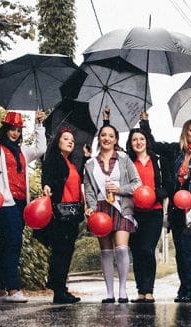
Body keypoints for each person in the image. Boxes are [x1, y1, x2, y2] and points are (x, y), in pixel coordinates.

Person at [0, 110, 47, 303]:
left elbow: (41, 148)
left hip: (21, 203)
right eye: (12, 129)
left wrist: (39, 125)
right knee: (14, 241)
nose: (15, 133)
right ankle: (14, 289)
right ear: (5, 129)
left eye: (18, 130)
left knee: (6, 243)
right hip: (3, 201)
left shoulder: (22, 151)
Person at [152, 119, 191, 302]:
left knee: (186, 248)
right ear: (185, 133)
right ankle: (185, 288)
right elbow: (153, 145)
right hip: (175, 208)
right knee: (180, 250)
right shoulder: (175, 150)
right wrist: (145, 123)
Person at [83, 122, 142, 303]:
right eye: (103, 135)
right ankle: (109, 293)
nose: (106, 138)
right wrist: (91, 208)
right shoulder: (90, 164)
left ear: (116, 140)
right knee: (106, 251)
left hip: (121, 207)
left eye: (110, 136)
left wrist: (119, 189)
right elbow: (89, 190)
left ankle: (123, 290)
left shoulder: (124, 159)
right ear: (99, 138)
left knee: (122, 249)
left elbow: (137, 183)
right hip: (101, 209)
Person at [126, 114, 173, 303]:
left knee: (147, 249)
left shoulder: (158, 160)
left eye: (141, 139)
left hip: (154, 211)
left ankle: (149, 290)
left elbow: (169, 185)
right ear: (130, 143)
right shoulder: (127, 162)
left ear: (147, 141)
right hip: (133, 212)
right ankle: (140, 291)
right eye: (134, 140)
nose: (138, 142)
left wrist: (156, 193)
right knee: (136, 251)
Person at [38, 126, 88, 304]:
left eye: (72, 140)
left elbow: (78, 180)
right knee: (61, 251)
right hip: (60, 212)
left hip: (72, 213)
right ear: (58, 141)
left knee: (66, 251)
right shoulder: (54, 159)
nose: (70, 142)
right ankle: (58, 290)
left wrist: (85, 158)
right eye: (66, 138)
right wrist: (46, 185)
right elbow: (47, 175)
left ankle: (61, 287)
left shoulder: (70, 163)